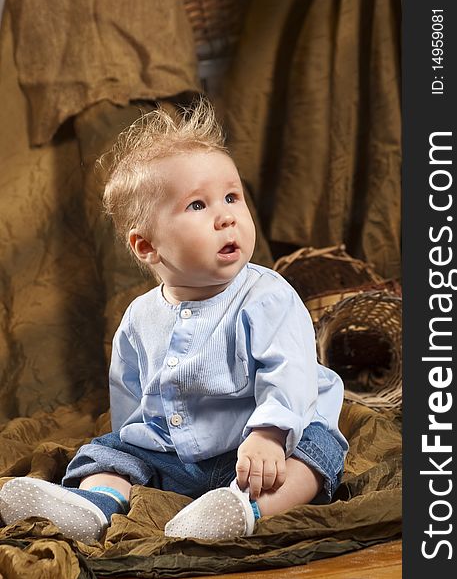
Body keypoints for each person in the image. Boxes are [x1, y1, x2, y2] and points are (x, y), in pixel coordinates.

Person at [0, 98, 348, 544]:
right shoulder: (140, 315)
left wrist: (268, 434)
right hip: (176, 455)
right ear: (146, 247)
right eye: (198, 205)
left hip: (262, 450)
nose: (226, 216)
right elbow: (131, 393)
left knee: (318, 450)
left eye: (232, 197)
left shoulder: (267, 296)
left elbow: (292, 373)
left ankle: (248, 510)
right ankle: (96, 507)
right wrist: (137, 442)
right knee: (108, 452)